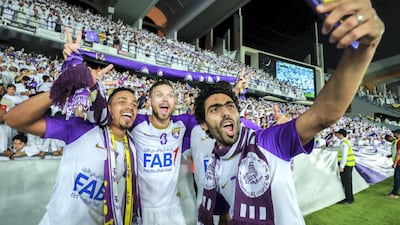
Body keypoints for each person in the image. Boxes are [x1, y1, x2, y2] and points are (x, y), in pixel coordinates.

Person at [192, 1, 384, 223]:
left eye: (230, 106)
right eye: (215, 109)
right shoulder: (213, 170)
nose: (226, 112)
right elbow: (223, 215)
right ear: (203, 124)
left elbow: (325, 113)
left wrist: (365, 48)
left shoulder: (268, 142)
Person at [4, 57, 141, 224]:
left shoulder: (132, 148)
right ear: (108, 107)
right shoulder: (80, 128)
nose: (130, 107)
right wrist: (63, 86)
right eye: (122, 101)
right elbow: (13, 120)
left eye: (134, 104)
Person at [334, 128, 355, 204]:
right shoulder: (345, 142)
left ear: (341, 135)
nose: (337, 135)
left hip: (346, 165)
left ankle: (349, 199)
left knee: (346, 182)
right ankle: (348, 197)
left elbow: (344, 156)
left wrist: (341, 166)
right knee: (347, 182)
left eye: (338, 134)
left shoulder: (343, 143)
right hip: (349, 164)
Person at [386, 129, 400, 198]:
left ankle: (394, 193)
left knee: (397, 178)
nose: (393, 134)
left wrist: (395, 163)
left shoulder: (399, 142)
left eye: (394, 133)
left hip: (398, 163)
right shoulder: (397, 141)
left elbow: (398, 153)